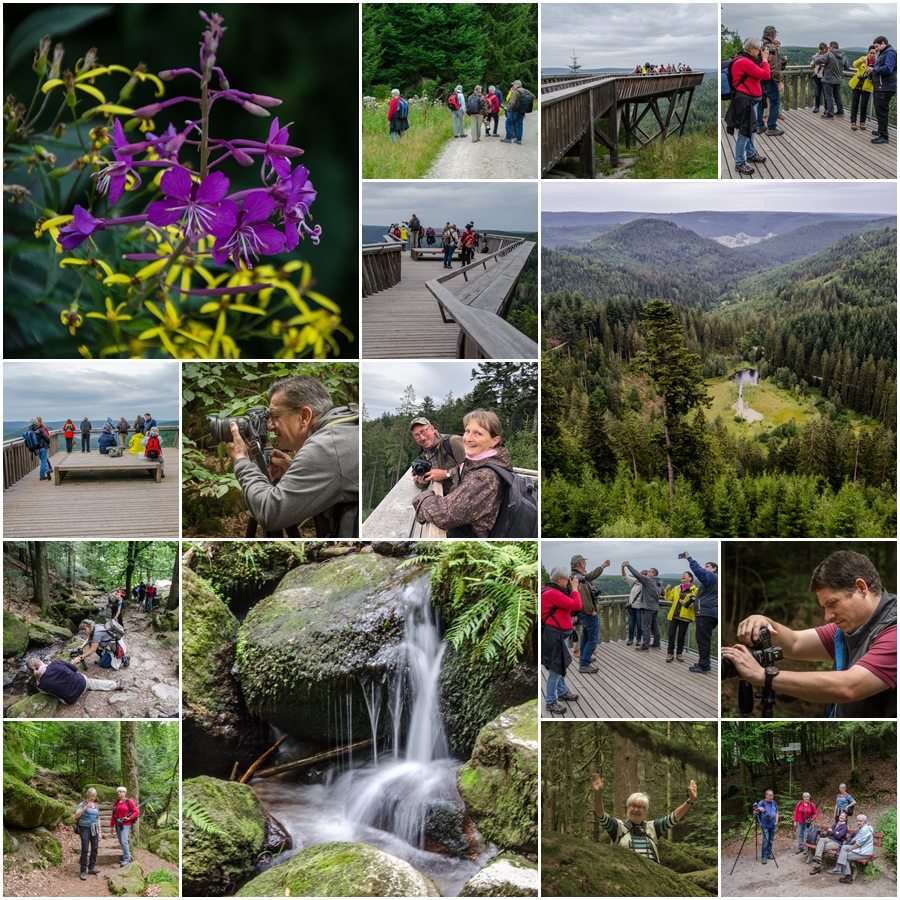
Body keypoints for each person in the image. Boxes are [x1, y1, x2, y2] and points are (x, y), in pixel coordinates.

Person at [721, 550, 896, 717]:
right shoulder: (849, 629)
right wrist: (765, 622)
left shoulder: (894, 631)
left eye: (833, 603)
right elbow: (795, 643)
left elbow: (849, 688)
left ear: (861, 587)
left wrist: (763, 676)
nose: (827, 616)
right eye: (824, 607)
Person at [227, 375, 360, 538]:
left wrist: (242, 461)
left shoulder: (327, 446)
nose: (270, 426)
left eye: (275, 416)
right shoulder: (345, 424)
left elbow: (270, 514)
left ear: (304, 416)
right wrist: (296, 472)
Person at [411, 408, 512, 538]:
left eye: (478, 434)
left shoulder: (484, 477)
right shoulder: (477, 462)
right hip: (460, 515)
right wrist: (422, 481)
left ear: (494, 441)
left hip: (470, 535)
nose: (468, 439)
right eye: (467, 431)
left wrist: (423, 497)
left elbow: (445, 515)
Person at [590, 773, 698, 863]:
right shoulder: (617, 826)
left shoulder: (653, 828)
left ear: (645, 811)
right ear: (627, 808)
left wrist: (690, 801)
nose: (636, 810)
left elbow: (674, 817)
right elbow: (601, 815)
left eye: (640, 807)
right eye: (633, 806)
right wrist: (598, 794)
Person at [725, 36, 771, 175]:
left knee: (751, 130)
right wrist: (764, 60)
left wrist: (763, 60)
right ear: (751, 48)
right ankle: (739, 162)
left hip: (751, 101)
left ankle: (750, 154)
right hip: (746, 102)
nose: (760, 52)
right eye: (758, 49)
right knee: (745, 133)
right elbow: (765, 75)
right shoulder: (744, 62)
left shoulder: (745, 59)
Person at [541, 566, 583, 713]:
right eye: (567, 579)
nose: (569, 581)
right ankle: (551, 701)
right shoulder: (552, 593)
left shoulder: (552, 590)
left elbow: (570, 609)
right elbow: (577, 605)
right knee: (556, 669)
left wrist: (573, 590)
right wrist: (575, 590)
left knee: (560, 665)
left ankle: (562, 691)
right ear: (559, 579)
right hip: (555, 636)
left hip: (559, 635)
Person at [570, 554, 610, 674]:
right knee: (593, 639)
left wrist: (603, 566)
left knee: (587, 636)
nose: (586, 564)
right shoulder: (578, 579)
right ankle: (584, 664)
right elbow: (584, 599)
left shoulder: (577, 576)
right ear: (581, 564)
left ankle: (584, 657)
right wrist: (591, 611)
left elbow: (592, 575)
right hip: (587, 614)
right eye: (585, 562)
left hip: (582, 614)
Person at [26, 657, 123, 704]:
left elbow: (50, 693)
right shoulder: (56, 663)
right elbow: (74, 669)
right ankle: (115, 685)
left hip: (70, 699)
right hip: (82, 684)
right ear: (39, 661)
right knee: (93, 683)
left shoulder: (39, 685)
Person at [409, 417, 466, 495]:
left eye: (423, 431)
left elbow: (475, 468)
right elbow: (420, 483)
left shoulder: (453, 442)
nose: (422, 437)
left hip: (466, 495)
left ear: (432, 429)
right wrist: (422, 481)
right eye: (417, 435)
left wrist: (446, 474)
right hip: (448, 499)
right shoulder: (423, 454)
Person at [683, 552, 717, 675]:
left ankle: (704, 666)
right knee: (704, 640)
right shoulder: (713, 582)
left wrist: (689, 559)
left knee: (702, 641)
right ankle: (703, 662)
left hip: (705, 613)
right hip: (710, 612)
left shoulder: (712, 577)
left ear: (714, 569)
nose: (705, 568)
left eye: (707, 566)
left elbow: (700, 572)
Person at [625, 562, 662, 651]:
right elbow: (663, 593)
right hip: (655, 607)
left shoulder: (649, 580)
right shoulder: (659, 583)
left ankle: (645, 646)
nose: (648, 573)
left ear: (653, 574)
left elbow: (637, 575)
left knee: (645, 627)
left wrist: (628, 566)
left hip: (647, 608)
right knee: (654, 627)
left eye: (649, 571)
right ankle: (657, 643)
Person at [867, 36, 896, 145]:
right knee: (879, 111)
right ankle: (880, 131)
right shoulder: (884, 53)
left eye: (877, 46)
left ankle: (884, 136)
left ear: (883, 43)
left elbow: (888, 68)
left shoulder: (890, 53)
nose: (876, 49)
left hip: (885, 87)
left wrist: (874, 69)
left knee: (882, 112)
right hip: (881, 87)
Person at [664, 571, 697, 662]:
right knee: (671, 635)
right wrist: (667, 590)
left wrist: (685, 603)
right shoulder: (676, 588)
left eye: (685, 575)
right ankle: (670, 653)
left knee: (681, 636)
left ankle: (679, 653)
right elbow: (668, 598)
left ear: (690, 578)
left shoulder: (694, 590)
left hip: (685, 616)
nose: (682, 576)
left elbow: (694, 603)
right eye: (682, 575)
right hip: (674, 615)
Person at [757, 26, 784, 136]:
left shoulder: (758, 45)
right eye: (775, 34)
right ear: (772, 34)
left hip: (759, 78)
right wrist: (778, 81)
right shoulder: (771, 47)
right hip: (769, 79)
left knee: (760, 102)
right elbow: (775, 66)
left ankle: (759, 126)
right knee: (775, 103)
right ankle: (771, 127)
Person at [832, 814, 874, 883]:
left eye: (860, 821)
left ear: (865, 822)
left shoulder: (865, 830)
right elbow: (860, 836)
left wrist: (851, 849)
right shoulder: (863, 828)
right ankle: (839, 867)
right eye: (857, 821)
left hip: (864, 852)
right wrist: (855, 837)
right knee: (844, 847)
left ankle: (848, 877)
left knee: (844, 856)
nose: (858, 822)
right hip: (861, 849)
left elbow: (858, 844)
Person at [74, 788, 103, 880]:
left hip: (94, 828)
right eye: (91, 795)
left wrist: (100, 832)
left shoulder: (96, 806)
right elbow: (76, 815)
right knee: (85, 849)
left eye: (94, 796)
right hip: (84, 828)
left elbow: (97, 818)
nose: (93, 797)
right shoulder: (82, 804)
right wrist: (86, 808)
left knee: (95, 848)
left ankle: (91, 867)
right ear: (88, 795)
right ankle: (83, 870)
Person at [813, 41, 846, 118]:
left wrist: (813, 57)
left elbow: (817, 60)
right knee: (837, 96)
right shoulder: (843, 55)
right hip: (838, 79)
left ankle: (830, 114)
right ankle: (840, 111)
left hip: (828, 79)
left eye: (829, 47)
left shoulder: (829, 54)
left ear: (831, 47)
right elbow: (847, 66)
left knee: (829, 97)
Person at [849, 46, 877, 130]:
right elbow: (854, 64)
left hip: (867, 86)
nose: (872, 55)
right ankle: (853, 121)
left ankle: (862, 122)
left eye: (874, 53)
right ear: (868, 52)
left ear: (876, 54)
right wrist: (862, 61)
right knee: (855, 104)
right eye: (870, 53)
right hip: (857, 84)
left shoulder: (877, 63)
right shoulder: (863, 59)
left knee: (864, 105)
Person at [110, 786, 139, 867]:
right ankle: (125, 857)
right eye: (118, 791)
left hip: (125, 824)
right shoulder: (115, 803)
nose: (119, 793)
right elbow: (113, 815)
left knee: (124, 841)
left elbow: (136, 812)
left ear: (125, 793)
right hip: (117, 824)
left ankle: (127, 859)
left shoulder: (129, 801)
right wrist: (111, 826)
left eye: (121, 791)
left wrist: (129, 818)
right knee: (120, 841)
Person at [622, 563, 644, 647]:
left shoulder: (646, 585)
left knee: (639, 624)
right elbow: (625, 576)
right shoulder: (634, 582)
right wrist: (622, 567)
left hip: (639, 608)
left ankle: (639, 639)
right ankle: (630, 638)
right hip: (631, 607)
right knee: (631, 624)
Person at [755, 789, 778, 863]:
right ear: (766, 795)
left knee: (770, 840)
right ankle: (764, 857)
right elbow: (754, 812)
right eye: (769, 795)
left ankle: (768, 853)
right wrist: (758, 808)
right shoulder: (762, 802)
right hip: (764, 825)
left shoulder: (774, 802)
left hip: (773, 825)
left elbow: (776, 812)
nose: (771, 797)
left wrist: (776, 820)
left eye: (772, 795)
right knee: (766, 840)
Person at [501, 80, 525, 144]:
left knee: (508, 122)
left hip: (515, 110)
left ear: (516, 85)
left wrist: (510, 109)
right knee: (520, 124)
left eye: (513, 85)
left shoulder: (516, 92)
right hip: (522, 110)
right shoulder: (525, 91)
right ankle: (518, 139)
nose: (513, 86)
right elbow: (533, 97)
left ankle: (508, 137)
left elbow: (512, 102)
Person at [810, 43, 828, 112]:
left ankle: (826, 108)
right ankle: (817, 107)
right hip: (816, 76)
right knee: (817, 93)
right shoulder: (817, 55)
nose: (821, 51)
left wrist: (818, 63)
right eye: (820, 50)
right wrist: (818, 63)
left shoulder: (828, 56)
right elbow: (811, 64)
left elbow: (826, 65)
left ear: (826, 49)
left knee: (825, 94)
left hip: (824, 77)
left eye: (822, 50)